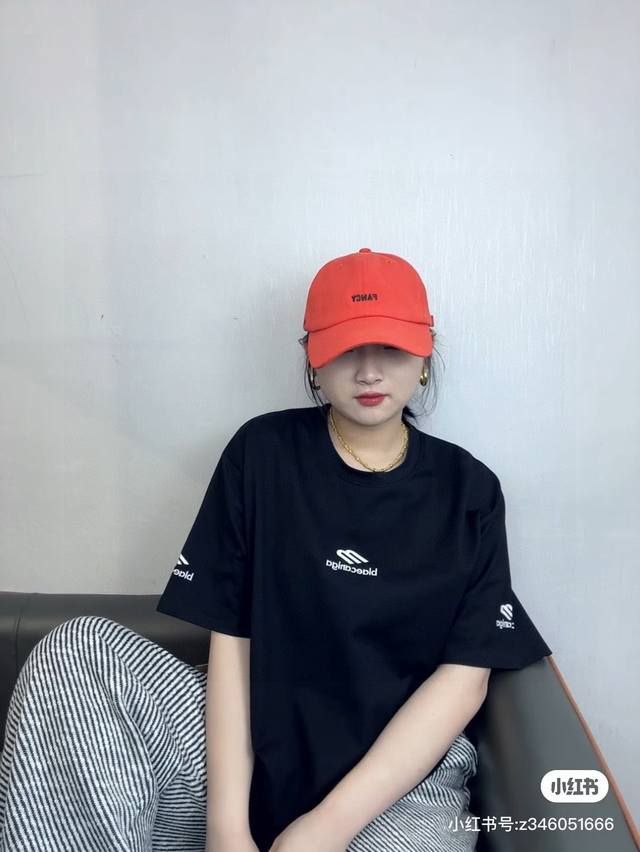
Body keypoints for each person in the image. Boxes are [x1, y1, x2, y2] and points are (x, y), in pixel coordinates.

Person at [0, 247, 552, 852]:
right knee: (79, 648)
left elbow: (464, 680)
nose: (369, 372)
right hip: (242, 748)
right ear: (313, 358)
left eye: (391, 348)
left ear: (425, 355)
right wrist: (226, 828)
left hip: (395, 783)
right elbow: (232, 639)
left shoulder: (469, 489)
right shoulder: (261, 453)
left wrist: (326, 827)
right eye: (346, 349)